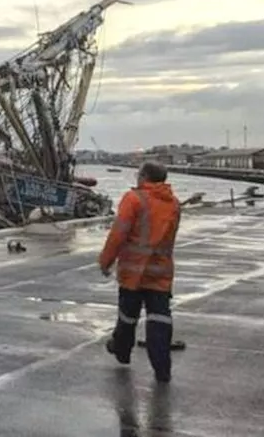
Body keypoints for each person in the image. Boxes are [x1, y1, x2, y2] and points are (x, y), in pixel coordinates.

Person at [98, 162, 181, 382]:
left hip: (133, 272)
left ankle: (122, 352)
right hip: (160, 273)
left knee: (127, 317)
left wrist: (105, 261)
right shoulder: (173, 204)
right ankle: (162, 368)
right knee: (159, 320)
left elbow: (118, 234)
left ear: (144, 177)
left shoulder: (133, 199)